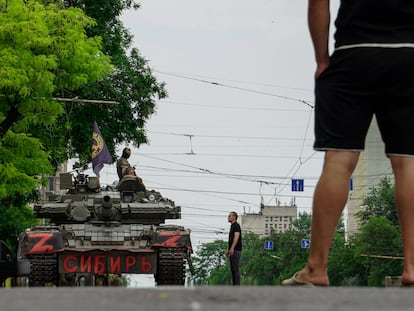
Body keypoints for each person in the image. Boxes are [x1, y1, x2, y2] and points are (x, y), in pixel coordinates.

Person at [283, 0, 414, 287]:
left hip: (353, 53)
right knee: (408, 162)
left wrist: (321, 59)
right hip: (408, 52)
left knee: (339, 161)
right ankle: (412, 266)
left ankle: (317, 268)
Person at [226, 211, 242, 286]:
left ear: (234, 217)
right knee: (233, 269)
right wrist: (228, 249)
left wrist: (232, 248)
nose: (228, 217)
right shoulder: (232, 226)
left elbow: (236, 237)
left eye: (230, 216)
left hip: (236, 250)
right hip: (233, 250)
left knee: (235, 269)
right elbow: (231, 239)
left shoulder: (236, 226)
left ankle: (237, 286)